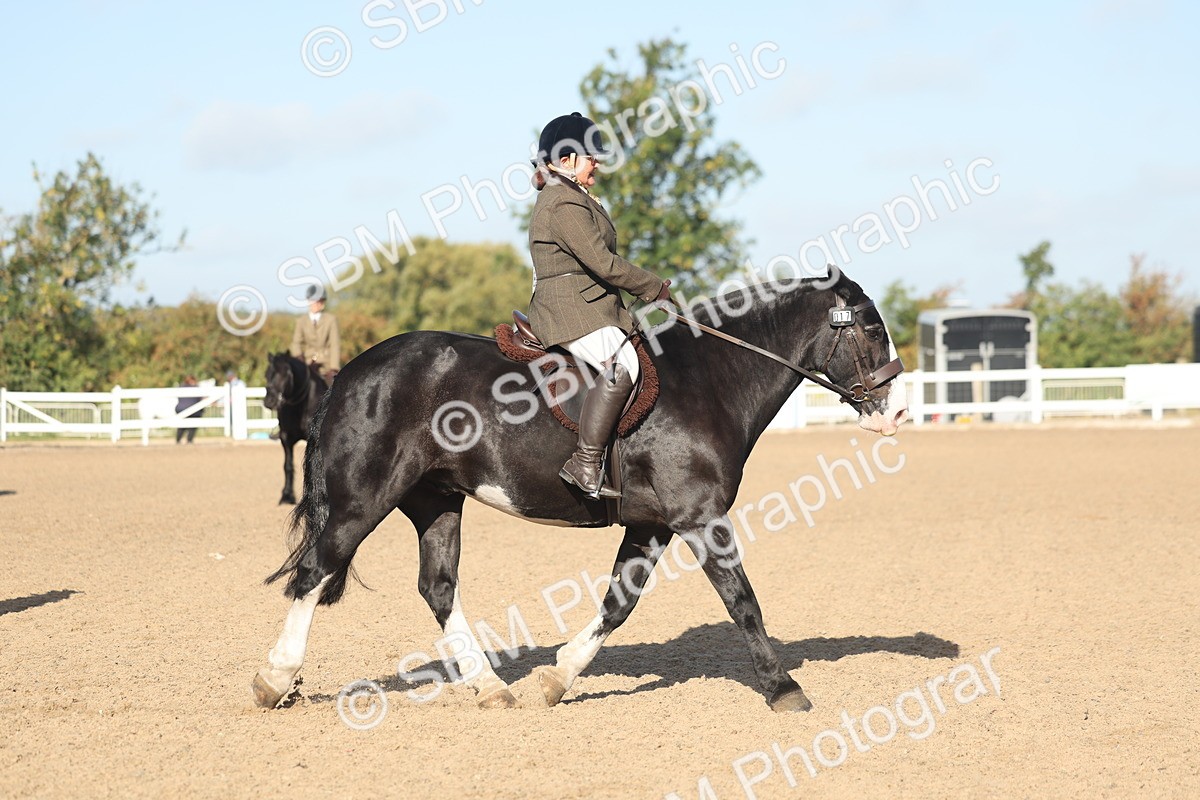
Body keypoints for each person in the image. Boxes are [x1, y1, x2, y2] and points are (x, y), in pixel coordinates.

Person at [527, 111, 675, 499]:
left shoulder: (572, 196)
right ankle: (585, 463)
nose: (598, 163)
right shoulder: (561, 202)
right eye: (590, 156)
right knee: (622, 365)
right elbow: (603, 263)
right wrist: (653, 288)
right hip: (570, 308)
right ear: (566, 160)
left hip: (588, 304)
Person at [290, 284, 341, 381]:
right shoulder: (301, 321)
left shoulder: (331, 320)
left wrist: (334, 367)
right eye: (314, 301)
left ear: (323, 303)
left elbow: (335, 345)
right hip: (307, 363)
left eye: (319, 301)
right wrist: (299, 358)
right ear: (309, 301)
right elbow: (296, 343)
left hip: (326, 364)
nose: (317, 304)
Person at [175, 376, 201, 444]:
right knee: (193, 423)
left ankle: (178, 440)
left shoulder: (181, 387)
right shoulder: (196, 388)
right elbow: (199, 399)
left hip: (180, 409)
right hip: (192, 410)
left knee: (181, 425)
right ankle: (189, 440)